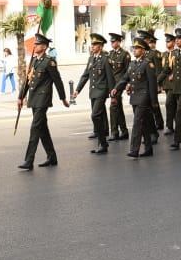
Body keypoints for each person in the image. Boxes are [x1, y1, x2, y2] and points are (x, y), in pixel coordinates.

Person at [17, 34, 68, 170]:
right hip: (34, 99)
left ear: (44, 47)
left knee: (35, 128)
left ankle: (29, 160)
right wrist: (20, 97)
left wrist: (63, 98)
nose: (35, 46)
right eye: (35, 44)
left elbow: (58, 81)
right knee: (42, 129)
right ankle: (52, 157)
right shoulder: (34, 61)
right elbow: (28, 80)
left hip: (43, 99)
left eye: (37, 44)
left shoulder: (49, 62)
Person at [111, 37, 157, 158]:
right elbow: (125, 78)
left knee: (137, 122)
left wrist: (154, 102)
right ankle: (148, 148)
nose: (135, 50)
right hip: (134, 96)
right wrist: (117, 88)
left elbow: (152, 84)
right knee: (144, 123)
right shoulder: (132, 64)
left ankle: (134, 149)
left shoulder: (148, 64)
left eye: (137, 48)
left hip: (144, 96)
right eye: (134, 48)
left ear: (143, 50)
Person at [73, 33, 115, 154]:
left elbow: (110, 78)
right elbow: (85, 75)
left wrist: (113, 95)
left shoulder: (105, 59)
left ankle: (103, 142)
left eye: (95, 45)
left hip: (102, 92)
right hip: (93, 92)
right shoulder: (91, 58)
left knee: (95, 115)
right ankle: (103, 144)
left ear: (100, 47)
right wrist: (77, 90)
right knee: (99, 118)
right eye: (92, 44)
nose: (92, 46)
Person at [105, 33, 130, 140]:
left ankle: (114, 132)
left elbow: (128, 71)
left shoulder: (125, 54)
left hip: (120, 84)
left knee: (113, 106)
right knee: (118, 107)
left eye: (114, 41)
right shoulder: (110, 54)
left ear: (119, 42)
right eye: (111, 41)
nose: (112, 43)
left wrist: (127, 84)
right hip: (111, 84)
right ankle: (124, 131)